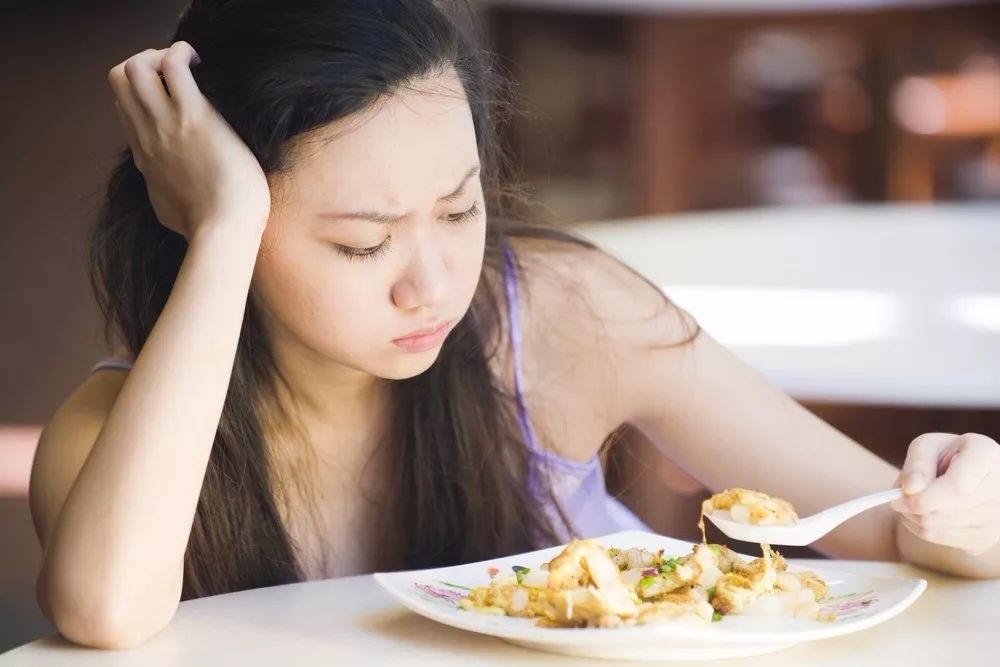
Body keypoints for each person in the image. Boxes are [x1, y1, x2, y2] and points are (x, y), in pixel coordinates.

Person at [28, 0, 1000, 651]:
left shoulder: (562, 315)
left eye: (458, 210)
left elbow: (902, 529)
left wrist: (965, 505)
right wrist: (225, 224)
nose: (434, 284)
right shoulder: (119, 431)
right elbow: (106, 612)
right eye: (363, 244)